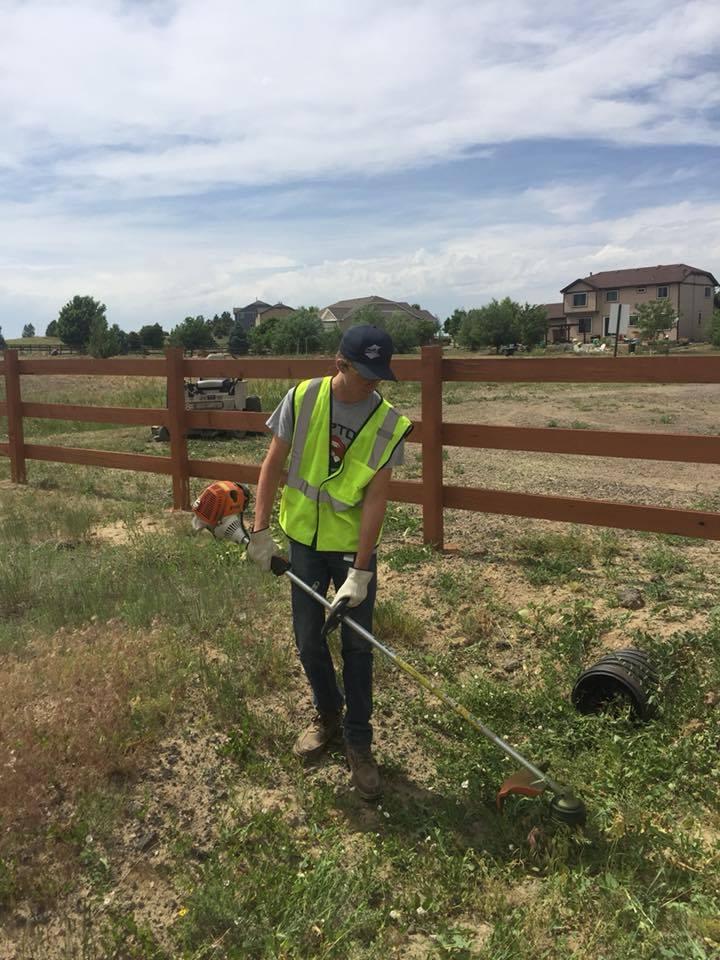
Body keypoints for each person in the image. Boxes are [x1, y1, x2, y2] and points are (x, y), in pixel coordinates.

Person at [246, 325, 412, 800]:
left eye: (381, 375)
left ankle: (360, 741)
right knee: (307, 639)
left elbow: (377, 500)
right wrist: (259, 529)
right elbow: (273, 462)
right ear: (341, 364)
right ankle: (328, 715)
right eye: (366, 374)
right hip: (302, 541)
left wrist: (360, 572)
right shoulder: (302, 399)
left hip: (351, 549)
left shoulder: (388, 423)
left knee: (358, 648)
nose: (374, 384)